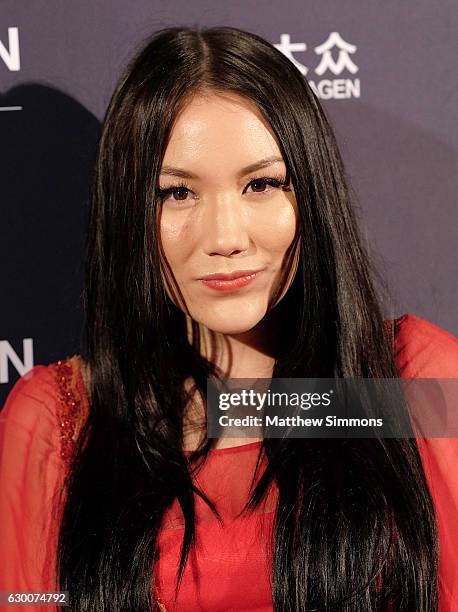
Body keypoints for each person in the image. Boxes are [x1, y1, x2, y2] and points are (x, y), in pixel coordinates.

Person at [1, 25, 457, 612]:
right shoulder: (58, 421)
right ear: (128, 212)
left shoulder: (410, 385)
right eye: (176, 194)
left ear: (311, 195)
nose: (225, 237)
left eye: (261, 184)